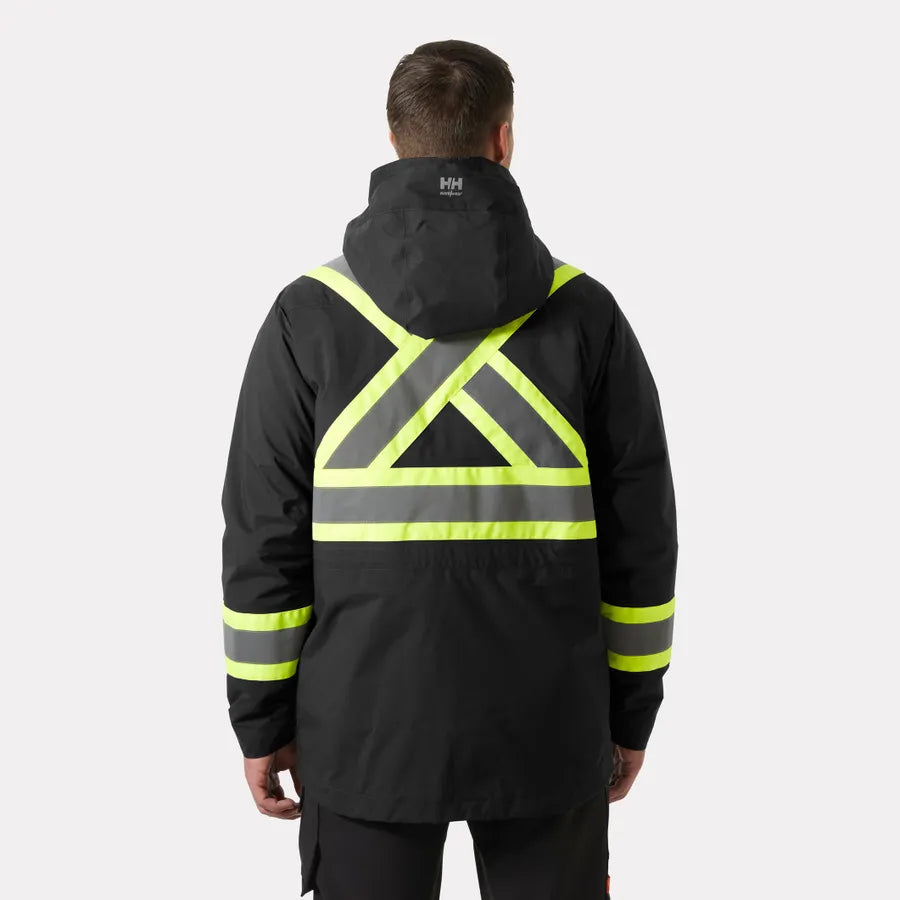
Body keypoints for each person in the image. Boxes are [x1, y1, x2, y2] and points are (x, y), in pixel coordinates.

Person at [220, 38, 678, 900]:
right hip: (550, 726)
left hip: (363, 734)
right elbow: (642, 539)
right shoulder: (586, 315)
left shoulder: (308, 317)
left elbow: (263, 537)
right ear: (504, 140)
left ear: (394, 139)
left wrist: (261, 717)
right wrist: (631, 709)